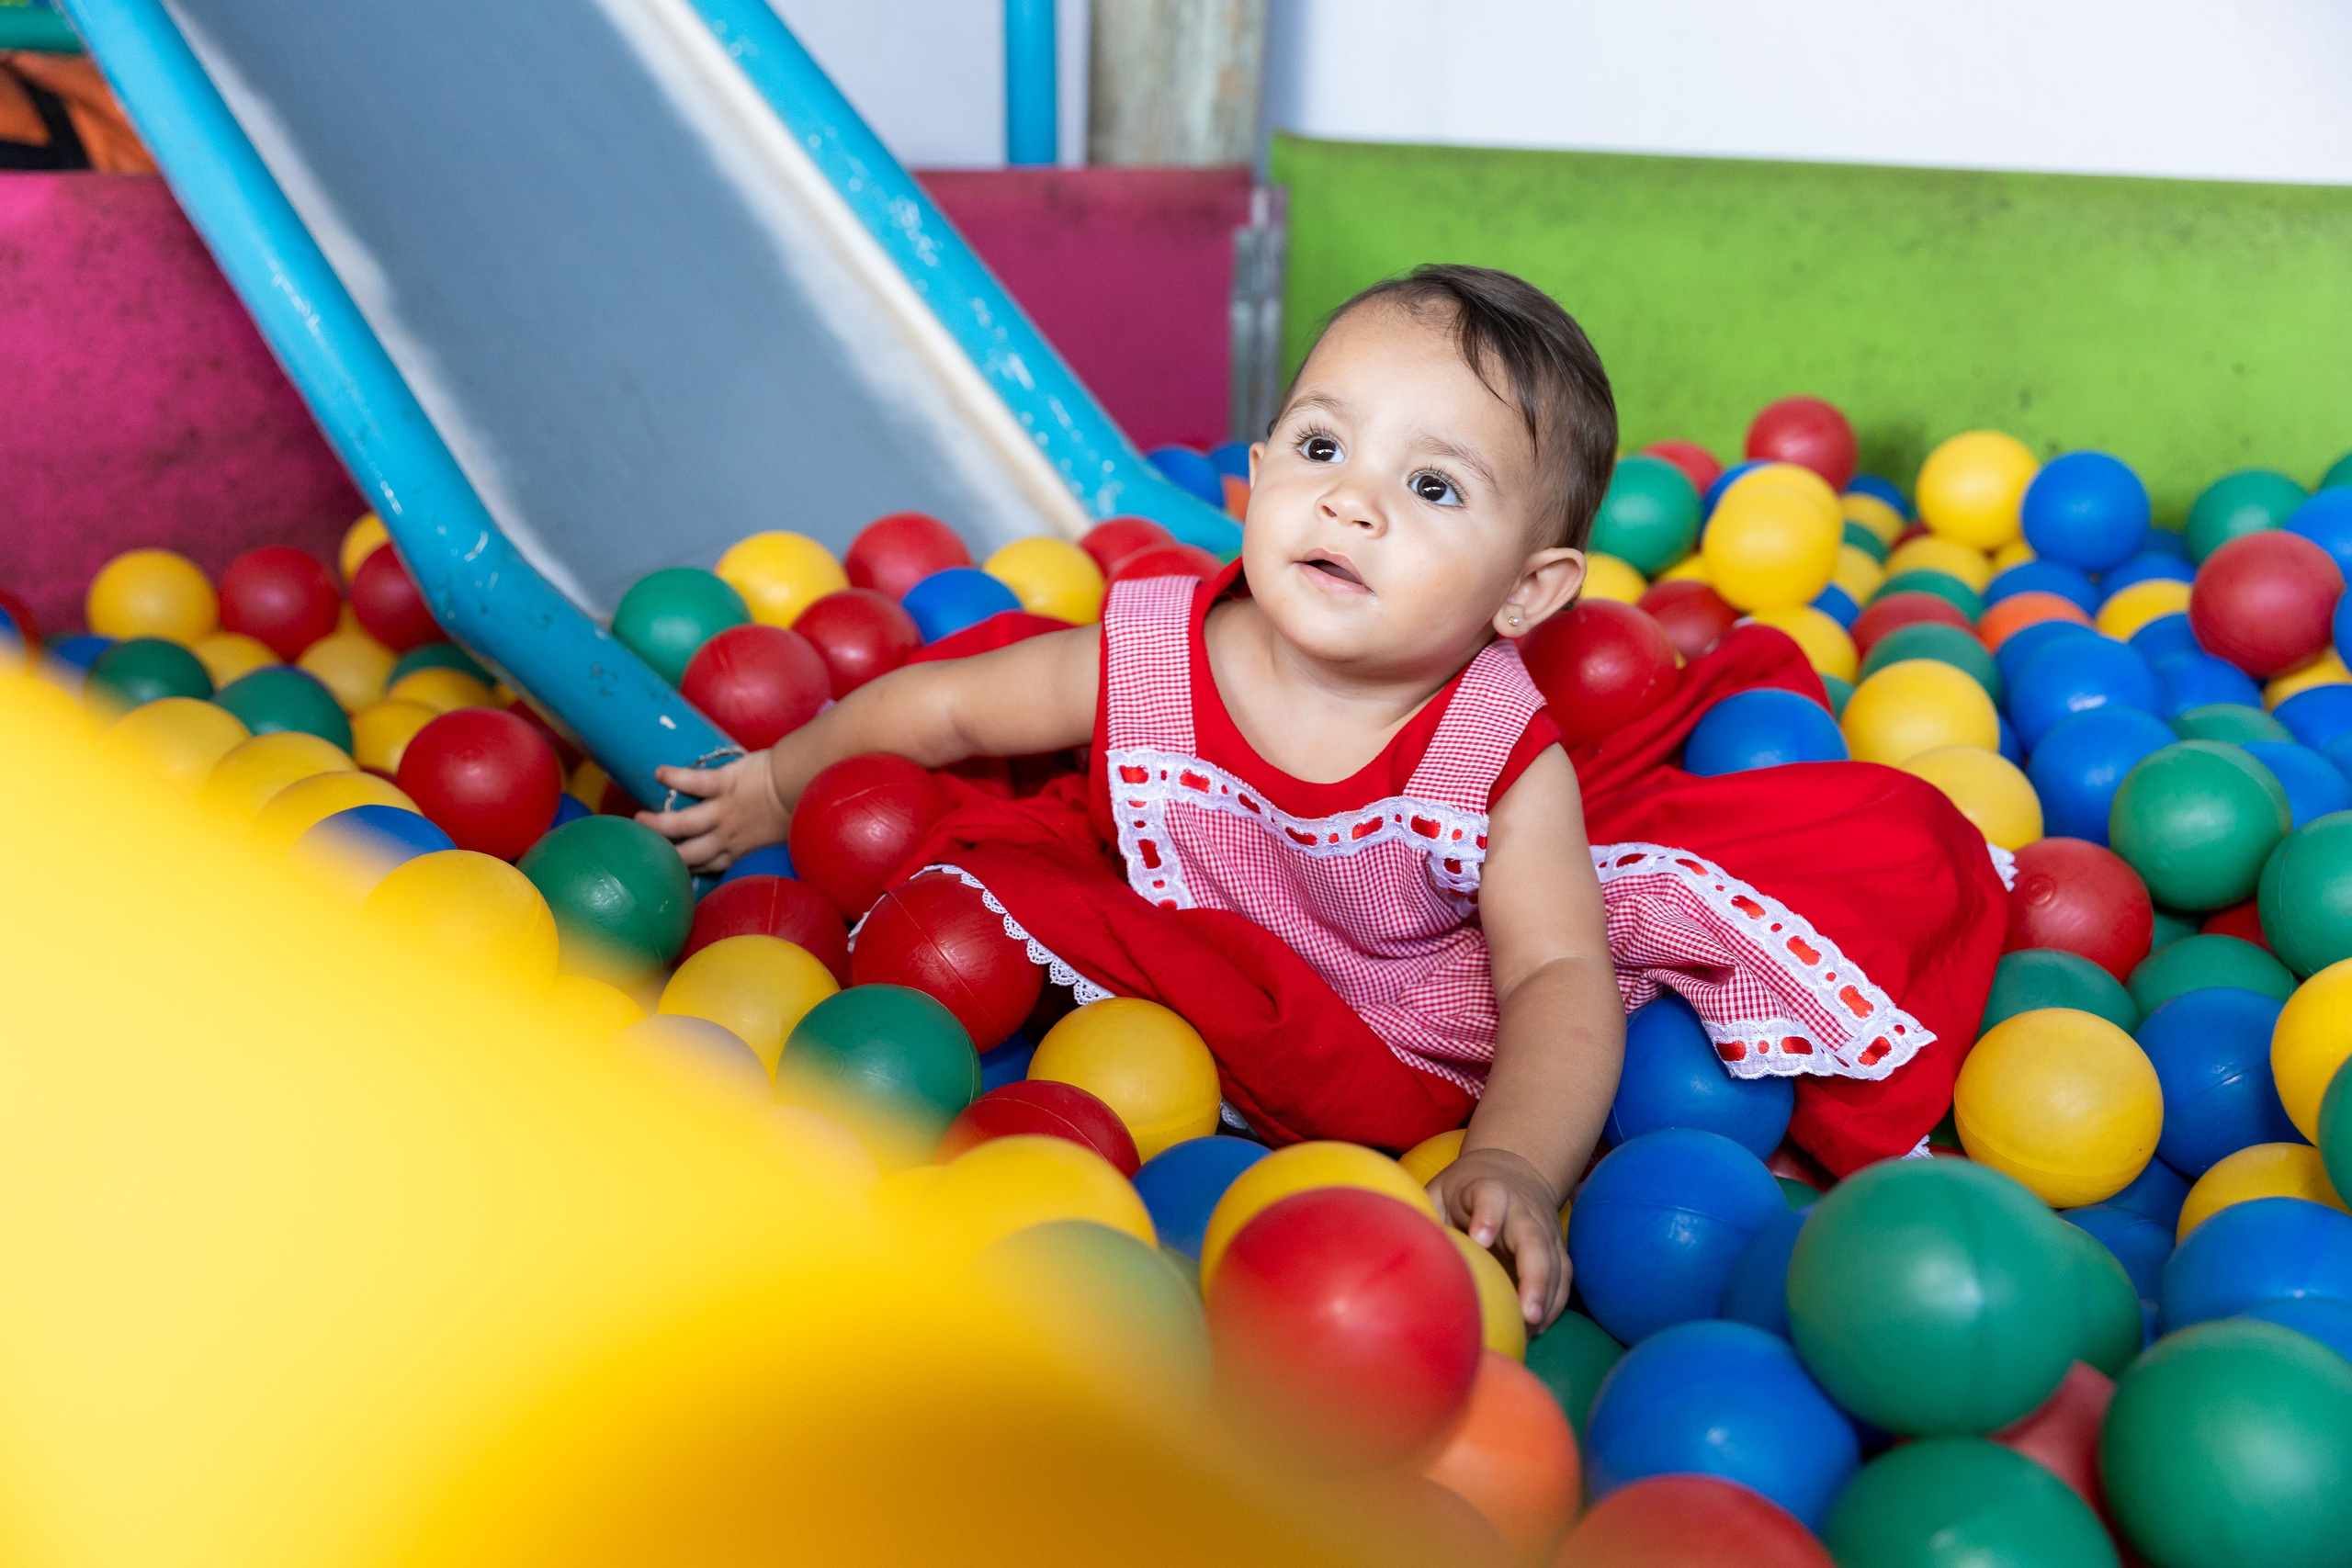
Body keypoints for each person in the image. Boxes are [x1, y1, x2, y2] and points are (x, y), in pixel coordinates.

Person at [644, 264, 2007, 1328]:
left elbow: (1551, 980)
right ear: (1251, 474)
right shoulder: (1158, 650)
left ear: (1527, 595)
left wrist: (1520, 1162)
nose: (1349, 506)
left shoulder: (1495, 759)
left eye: (1429, 485)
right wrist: (777, 778)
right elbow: (943, 707)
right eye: (1317, 449)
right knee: (971, 899)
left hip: (1413, 991)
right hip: (1208, 948)